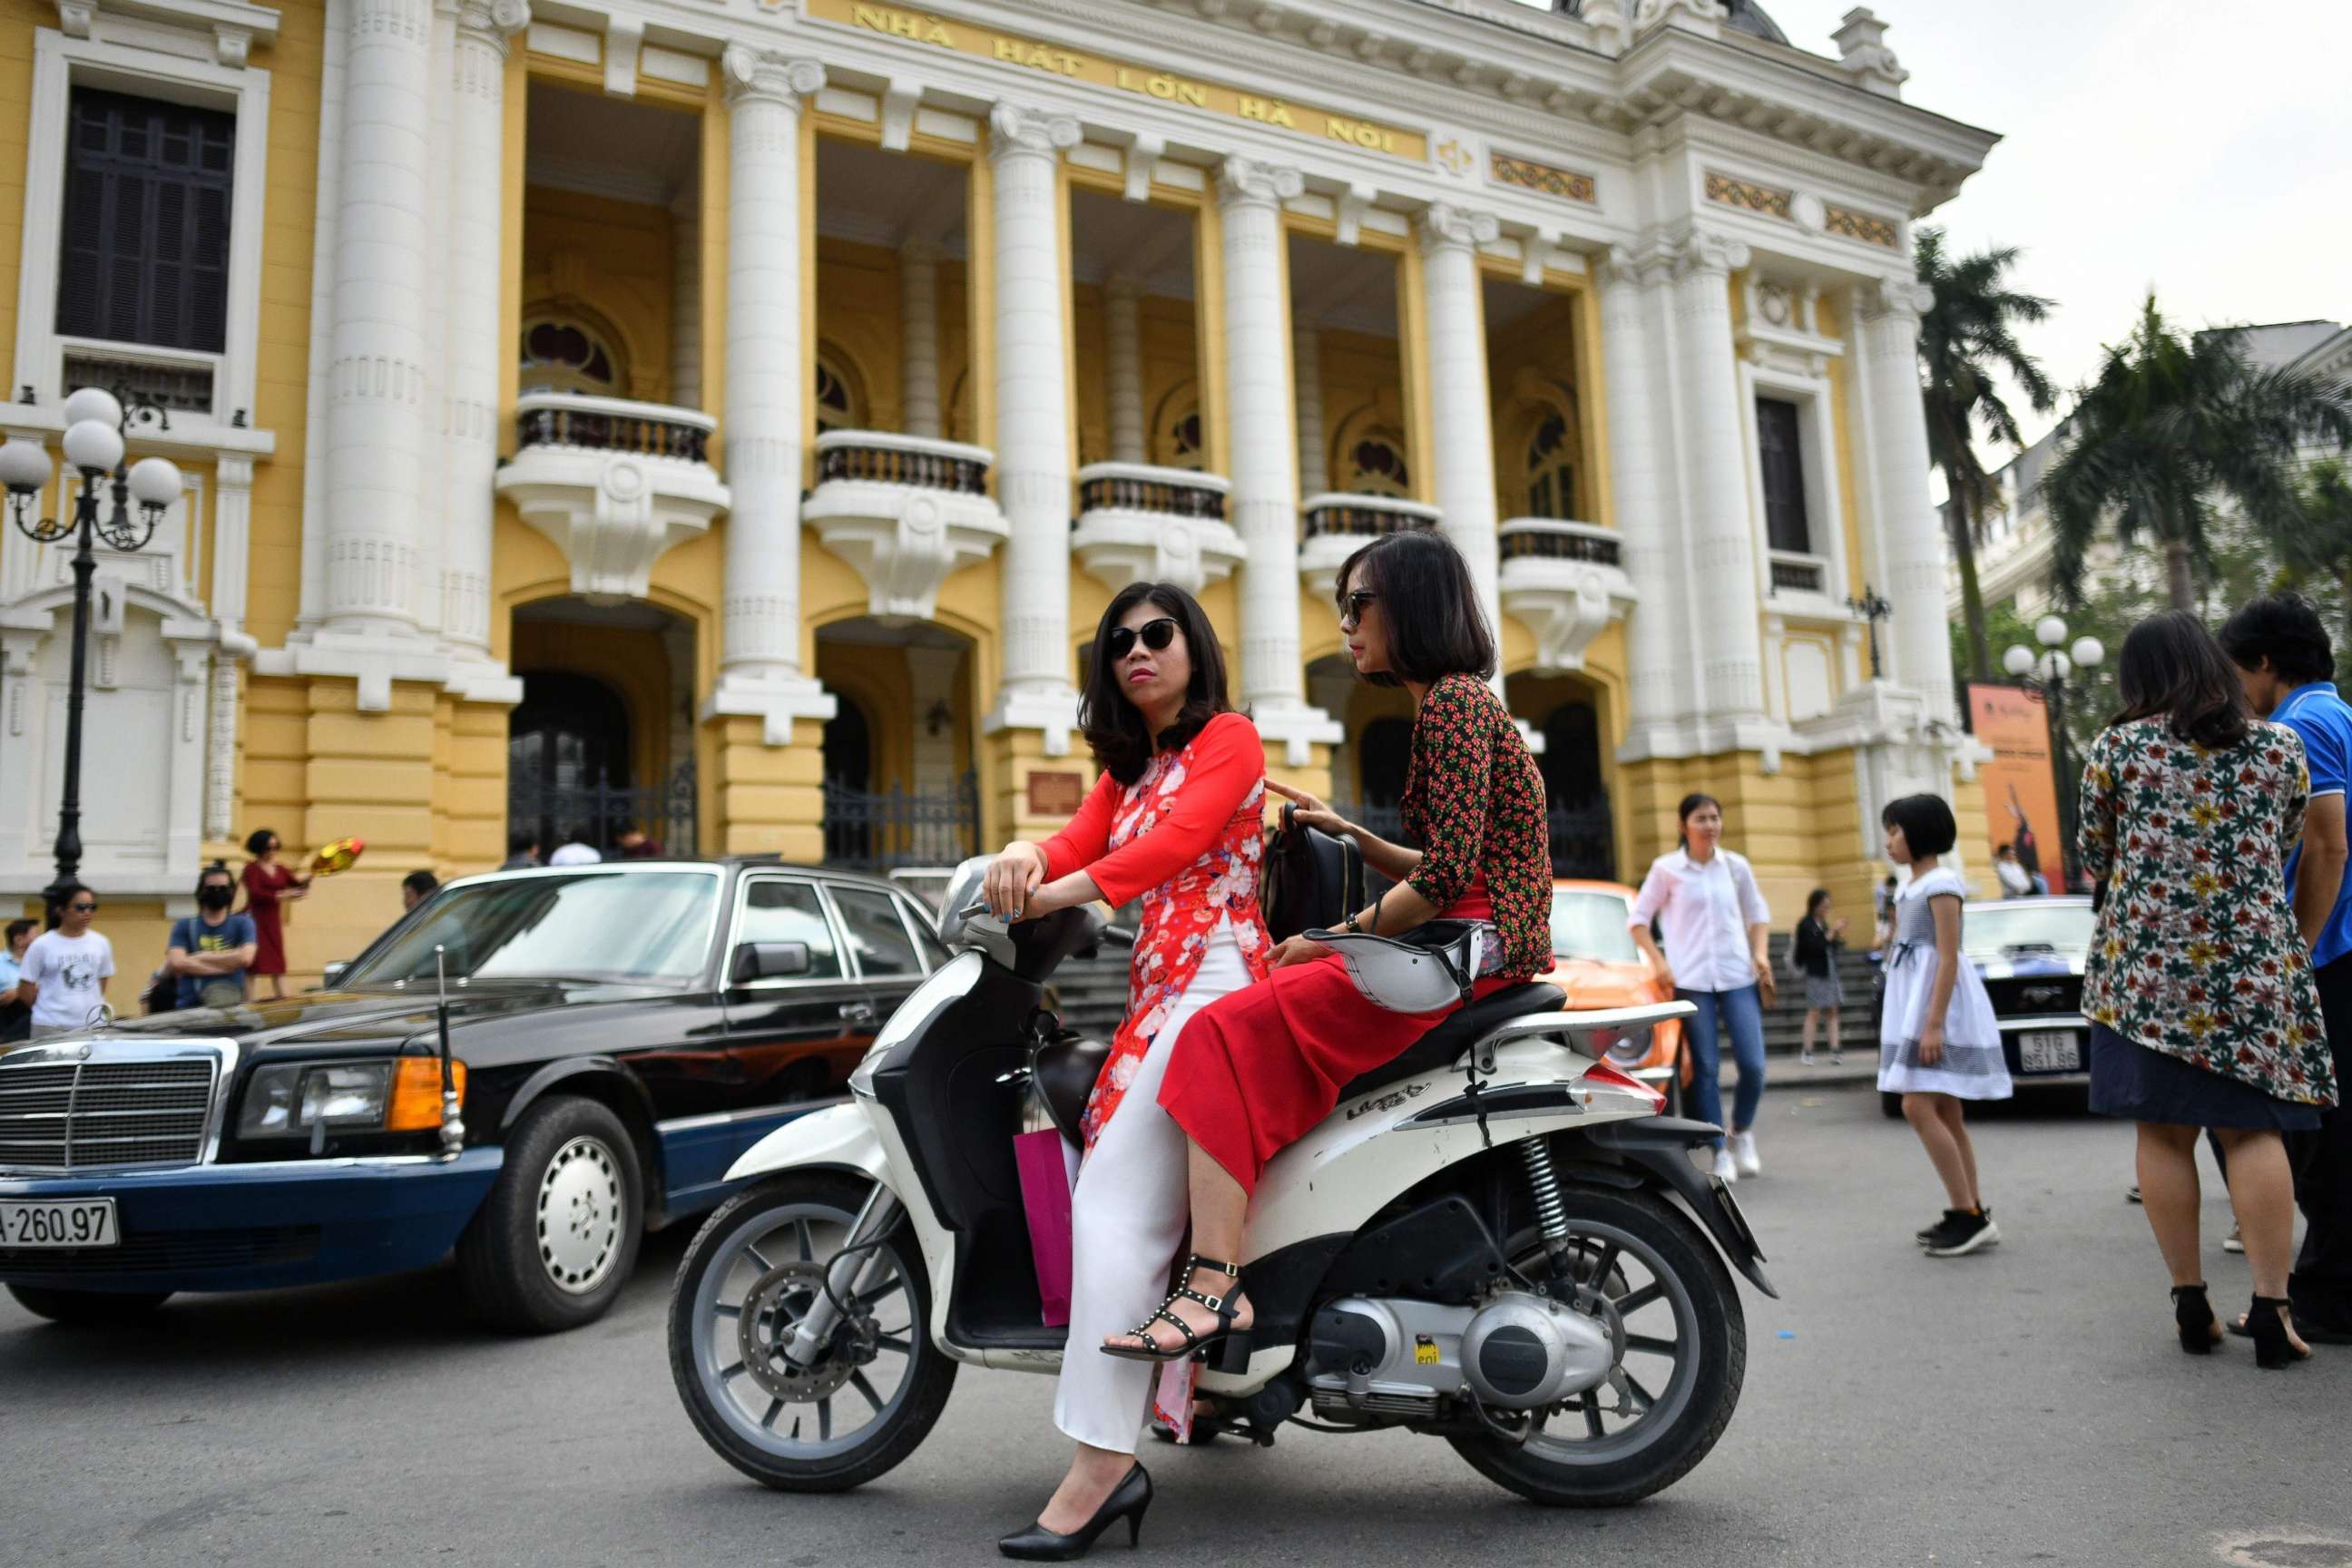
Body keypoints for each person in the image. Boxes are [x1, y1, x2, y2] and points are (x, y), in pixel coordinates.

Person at [1100, 531, 1553, 1384]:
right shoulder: (1460, 702)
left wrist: (1333, 936)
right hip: (1477, 945)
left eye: (1358, 604)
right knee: (1267, 999)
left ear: (1410, 607)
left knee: (1215, 1035)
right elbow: (1461, 865)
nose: (1346, 624)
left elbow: (1454, 878)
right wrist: (1353, 836)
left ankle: (1212, 1287)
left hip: (1461, 957)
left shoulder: (1452, 707)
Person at [985, 583, 1269, 1560]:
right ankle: (1120, 1442)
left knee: (1109, 1209)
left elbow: (1173, 847)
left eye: (1159, 635)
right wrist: (1025, 851)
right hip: (1160, 1000)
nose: (1138, 652)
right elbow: (1079, 836)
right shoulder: (1127, 769)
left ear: (1195, 647)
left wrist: (1054, 890)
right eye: (1121, 643)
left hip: (1219, 988)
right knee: (1118, 1206)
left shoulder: (1230, 739)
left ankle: (1103, 1466)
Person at [2080, 611, 2336, 1368]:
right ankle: (2272, 1309)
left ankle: (2191, 1301)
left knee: (2162, 1134)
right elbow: (2290, 835)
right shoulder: (2279, 745)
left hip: (2148, 973)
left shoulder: (2119, 748)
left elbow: (2097, 852)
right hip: (2253, 966)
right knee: (2253, 1132)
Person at [2220, 592, 2352, 1347]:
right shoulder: (2335, 714)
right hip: (2337, 947)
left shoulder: (2301, 725)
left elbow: (2329, 846)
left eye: (2237, 668)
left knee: (2316, 1135)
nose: (2235, 686)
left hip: (2331, 952)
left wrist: (2298, 947)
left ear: (2264, 663)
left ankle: (2327, 1295)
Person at [1877, 794, 2011, 1257]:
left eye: (1896, 831)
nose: (1890, 840)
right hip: (1914, 1000)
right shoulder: (1908, 886)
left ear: (1921, 833)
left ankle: (1968, 1214)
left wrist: (1933, 1025)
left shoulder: (1942, 883)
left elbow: (1948, 957)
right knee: (1947, 1110)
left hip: (1939, 1006)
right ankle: (1968, 1209)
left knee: (1916, 1105)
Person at [1630, 794, 1775, 1181]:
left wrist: (1760, 954)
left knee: (1753, 1065)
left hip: (1737, 977)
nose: (1709, 825)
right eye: (1700, 818)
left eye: (1715, 817)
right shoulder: (1666, 870)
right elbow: (1639, 920)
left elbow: (1758, 915)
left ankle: (1742, 1131)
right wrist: (1659, 962)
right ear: (1683, 826)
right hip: (1691, 981)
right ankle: (1718, 1149)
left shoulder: (1736, 867)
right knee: (1706, 1068)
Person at [19, 885, 113, 1038]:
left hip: (93, 1026)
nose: (87, 913)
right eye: (80, 908)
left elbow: (102, 980)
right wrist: (47, 1008)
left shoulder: (101, 942)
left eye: (92, 907)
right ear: (61, 910)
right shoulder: (42, 944)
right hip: (50, 1027)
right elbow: (25, 987)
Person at [167, 862, 260, 1010]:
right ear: (201, 891)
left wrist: (201, 957)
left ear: (231, 891)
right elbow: (177, 962)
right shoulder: (184, 925)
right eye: (211, 888)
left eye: (223, 888)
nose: (217, 892)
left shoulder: (243, 923)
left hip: (230, 1010)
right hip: (189, 1008)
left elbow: (245, 958)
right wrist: (226, 965)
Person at [240, 828, 311, 1000]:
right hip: (254, 919)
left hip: (272, 920)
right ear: (258, 849)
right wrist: (283, 895)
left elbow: (298, 885)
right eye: (268, 848)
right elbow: (255, 893)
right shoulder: (251, 869)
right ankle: (247, 1003)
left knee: (277, 961)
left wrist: (310, 878)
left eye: (275, 847)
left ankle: (284, 998)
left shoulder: (281, 869)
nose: (272, 852)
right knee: (253, 964)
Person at [1793, 889, 1847, 1065]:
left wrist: (1835, 935)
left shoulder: (1823, 923)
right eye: (1824, 905)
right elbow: (1812, 948)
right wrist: (1830, 934)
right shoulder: (1806, 924)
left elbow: (1829, 946)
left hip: (1828, 970)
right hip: (1815, 972)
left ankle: (1835, 1049)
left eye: (1827, 906)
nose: (1826, 909)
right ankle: (1807, 1050)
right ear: (1815, 905)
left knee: (1832, 1010)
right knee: (1814, 1011)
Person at [0, 916, 35, 1044]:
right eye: (34, 936)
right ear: (19, 939)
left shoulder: (38, 964)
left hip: (32, 1023)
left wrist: (19, 992)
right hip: (6, 1021)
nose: (37, 941)